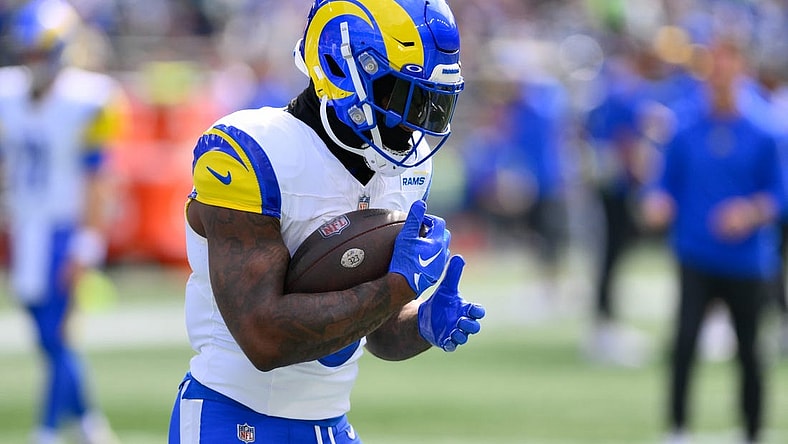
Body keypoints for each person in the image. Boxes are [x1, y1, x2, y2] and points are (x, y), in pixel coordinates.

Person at [167, 1, 486, 443]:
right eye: (400, 92)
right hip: (232, 420)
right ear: (340, 66)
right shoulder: (251, 150)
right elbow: (264, 338)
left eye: (429, 101)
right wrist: (396, 285)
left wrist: (420, 323)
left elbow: (375, 331)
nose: (414, 120)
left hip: (331, 426)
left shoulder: (408, 171)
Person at [641, 36, 784, 444]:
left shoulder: (765, 127)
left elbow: (780, 191)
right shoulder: (685, 125)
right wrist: (659, 201)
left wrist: (750, 211)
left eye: (726, 63)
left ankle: (753, 430)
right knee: (684, 343)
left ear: (740, 68)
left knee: (750, 351)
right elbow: (665, 181)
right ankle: (678, 428)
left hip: (748, 260)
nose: (718, 72)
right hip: (695, 252)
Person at [0, 0, 125, 443]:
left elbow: (98, 180)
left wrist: (87, 243)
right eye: (29, 51)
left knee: (57, 336)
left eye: (42, 51)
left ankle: (48, 431)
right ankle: (89, 423)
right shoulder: (7, 93)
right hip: (23, 228)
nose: (35, 61)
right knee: (48, 340)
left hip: (61, 228)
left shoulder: (88, 99)